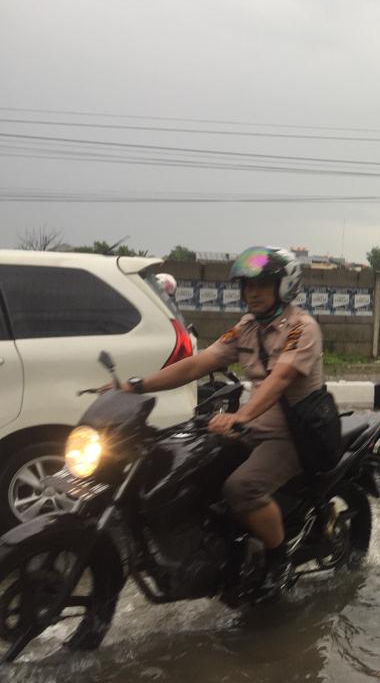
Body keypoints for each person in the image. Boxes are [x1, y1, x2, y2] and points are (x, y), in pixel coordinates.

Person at [121, 246, 321, 600]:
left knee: (241, 488)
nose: (252, 293)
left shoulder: (301, 329)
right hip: (253, 427)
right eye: (246, 285)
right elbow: (199, 363)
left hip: (293, 433)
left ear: (285, 285)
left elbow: (280, 379)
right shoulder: (246, 327)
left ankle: (279, 561)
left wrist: (241, 415)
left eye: (262, 284)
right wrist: (138, 385)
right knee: (193, 469)